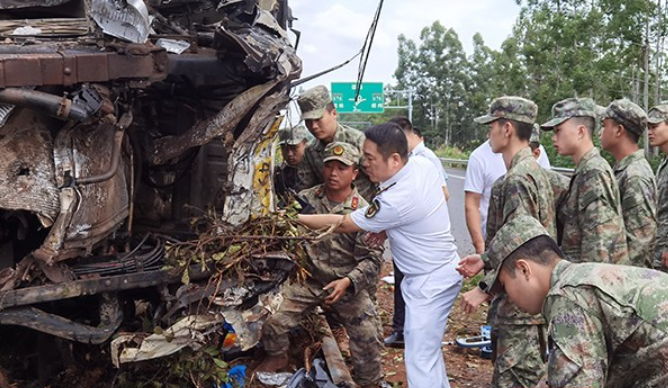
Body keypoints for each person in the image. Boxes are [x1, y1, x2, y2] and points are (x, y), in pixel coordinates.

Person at [296, 122, 462, 388]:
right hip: (436, 272)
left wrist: (297, 218)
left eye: (371, 158)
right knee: (428, 354)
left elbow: (343, 223)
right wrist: (386, 229)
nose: (365, 165)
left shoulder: (396, 198)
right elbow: (421, 209)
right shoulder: (421, 166)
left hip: (429, 281)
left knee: (419, 359)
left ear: (395, 159)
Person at [481, 214, 668, 388]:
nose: (509, 298)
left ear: (524, 269)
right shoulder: (584, 277)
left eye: (505, 286)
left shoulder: (567, 297)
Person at [258, 142, 384, 388]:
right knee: (271, 317)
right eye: (329, 166)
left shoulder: (365, 212)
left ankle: (369, 382)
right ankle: (278, 356)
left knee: (369, 335)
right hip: (308, 282)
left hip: (346, 286)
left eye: (342, 168)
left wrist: (348, 282)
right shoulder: (304, 201)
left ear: (355, 173)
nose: (334, 173)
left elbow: (372, 260)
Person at [458, 96, 555, 388]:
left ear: (507, 129)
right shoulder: (532, 171)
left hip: (519, 305)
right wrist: (486, 259)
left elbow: (522, 243)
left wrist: (485, 289)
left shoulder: (518, 178)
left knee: (515, 379)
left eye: (493, 127)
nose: (490, 133)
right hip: (527, 302)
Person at [381, 116, 450, 348]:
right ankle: (403, 329)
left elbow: (444, 194)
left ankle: (406, 331)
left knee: (412, 285)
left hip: (419, 239)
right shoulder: (413, 159)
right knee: (402, 281)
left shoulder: (425, 159)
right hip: (407, 235)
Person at [540, 97, 628, 264]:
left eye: (558, 130)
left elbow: (599, 244)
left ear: (581, 132)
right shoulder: (585, 170)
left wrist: (587, 287)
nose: (553, 138)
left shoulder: (593, 172)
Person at [600, 99, 657, 267]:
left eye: (604, 125)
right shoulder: (623, 169)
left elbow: (640, 243)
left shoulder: (635, 175)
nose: (600, 132)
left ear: (618, 130)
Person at [297, 85, 375, 201]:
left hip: (361, 211)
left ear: (334, 113)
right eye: (308, 121)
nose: (313, 126)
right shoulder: (310, 151)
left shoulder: (358, 141)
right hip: (327, 213)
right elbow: (306, 188)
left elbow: (379, 179)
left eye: (318, 119)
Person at [648, 104, 668, 272]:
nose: (649, 132)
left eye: (654, 126)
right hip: (658, 247)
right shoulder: (664, 163)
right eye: (648, 127)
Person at [273, 125, 308, 206]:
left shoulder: (316, 169)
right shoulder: (278, 172)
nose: (289, 154)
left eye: (294, 148)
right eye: (285, 149)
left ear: (305, 143)